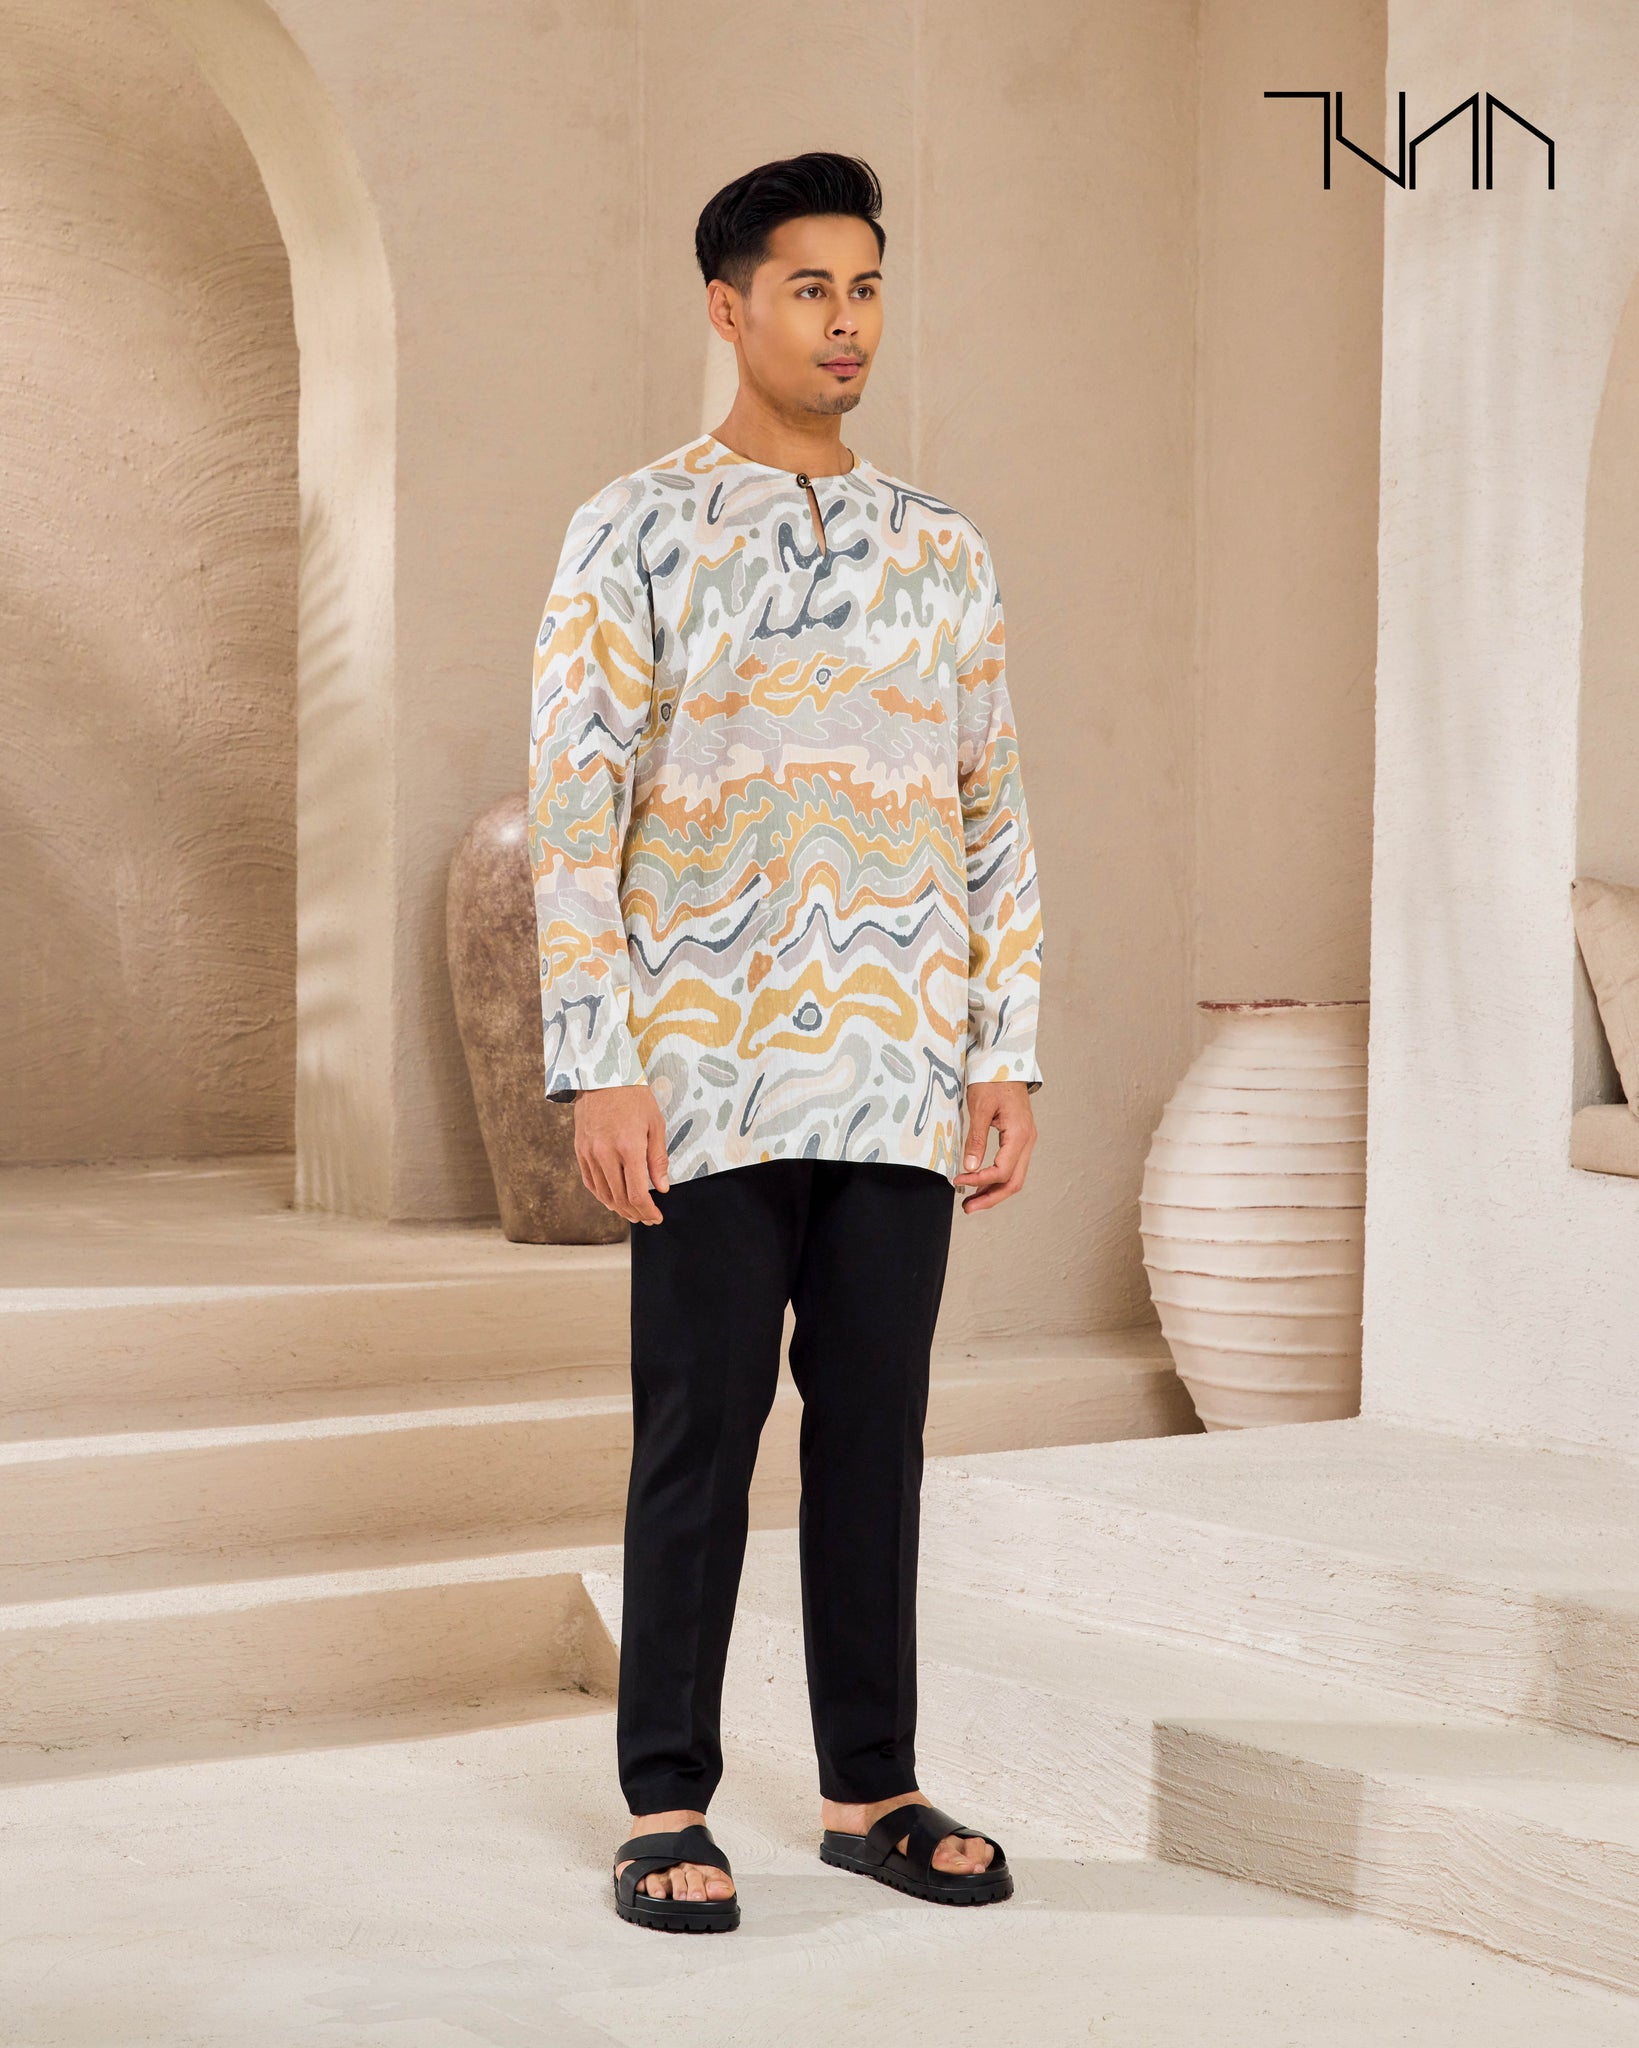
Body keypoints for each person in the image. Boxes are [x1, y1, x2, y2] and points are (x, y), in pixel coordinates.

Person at [526, 150, 1045, 1933]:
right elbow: (573, 805)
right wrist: (599, 1054)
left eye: (867, 287)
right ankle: (665, 1798)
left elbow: (990, 811)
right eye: (810, 288)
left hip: (899, 1067)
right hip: (700, 1065)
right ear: (729, 306)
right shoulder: (634, 528)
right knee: (701, 1427)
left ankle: (869, 1790)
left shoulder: (942, 547)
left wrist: (1002, 1047)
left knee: (876, 1432)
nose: (846, 322)